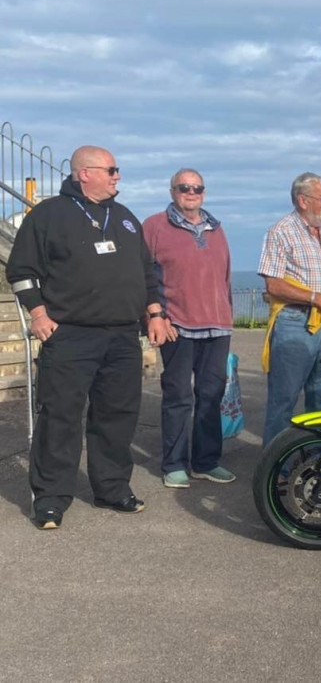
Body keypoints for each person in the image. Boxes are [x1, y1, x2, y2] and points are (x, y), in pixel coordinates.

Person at [7, 145, 171, 529]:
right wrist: (38, 313)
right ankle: (50, 498)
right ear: (85, 173)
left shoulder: (126, 218)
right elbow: (22, 271)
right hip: (71, 336)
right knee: (60, 418)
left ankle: (112, 488)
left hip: (121, 337)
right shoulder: (48, 215)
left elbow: (146, 274)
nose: (118, 176)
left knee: (117, 416)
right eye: (111, 169)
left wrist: (155, 313)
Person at [143, 168, 235, 490]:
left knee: (212, 396)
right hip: (176, 325)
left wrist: (228, 320)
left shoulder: (216, 228)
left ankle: (206, 462)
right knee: (178, 396)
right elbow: (144, 276)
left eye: (197, 188)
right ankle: (174, 464)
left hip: (217, 327)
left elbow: (224, 278)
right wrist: (154, 316)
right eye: (184, 187)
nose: (191, 192)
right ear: (172, 191)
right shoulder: (155, 226)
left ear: (204, 193)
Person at [258, 172, 321, 445]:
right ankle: (275, 469)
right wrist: (316, 298)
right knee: (284, 399)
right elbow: (273, 285)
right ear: (302, 200)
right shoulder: (280, 232)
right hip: (294, 323)